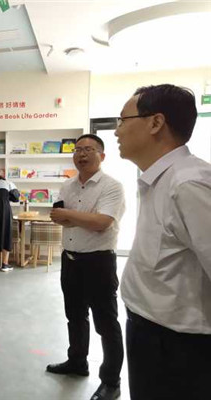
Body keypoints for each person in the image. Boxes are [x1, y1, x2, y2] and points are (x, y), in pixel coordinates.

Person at [117, 84, 211, 400]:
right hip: (150, 332)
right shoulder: (159, 179)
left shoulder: (189, 183)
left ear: (156, 123)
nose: (117, 131)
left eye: (123, 120)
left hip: (178, 346)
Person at [48, 134, 125, 400]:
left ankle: (111, 382)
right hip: (70, 260)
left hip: (99, 262)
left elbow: (102, 223)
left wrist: (71, 216)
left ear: (101, 156)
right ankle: (77, 362)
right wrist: (79, 218)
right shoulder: (67, 185)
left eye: (88, 149)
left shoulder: (112, 186)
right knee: (75, 316)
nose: (81, 154)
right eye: (77, 149)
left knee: (106, 323)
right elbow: (59, 218)